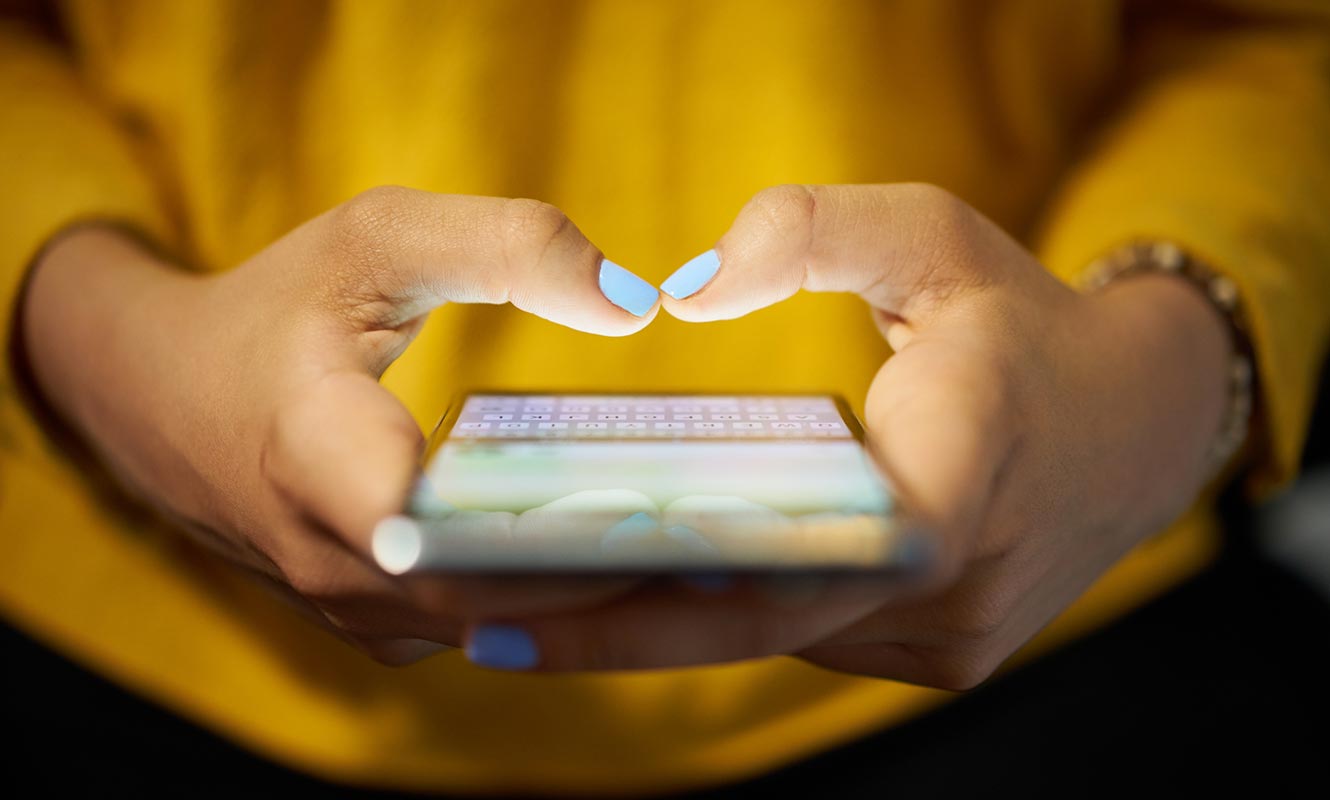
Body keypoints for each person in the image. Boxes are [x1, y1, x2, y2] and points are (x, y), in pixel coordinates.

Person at [2, 0, 1328, 795]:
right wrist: (95, 336)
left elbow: (1267, 38)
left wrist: (1155, 378)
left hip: (1056, 626)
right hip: (146, 642)